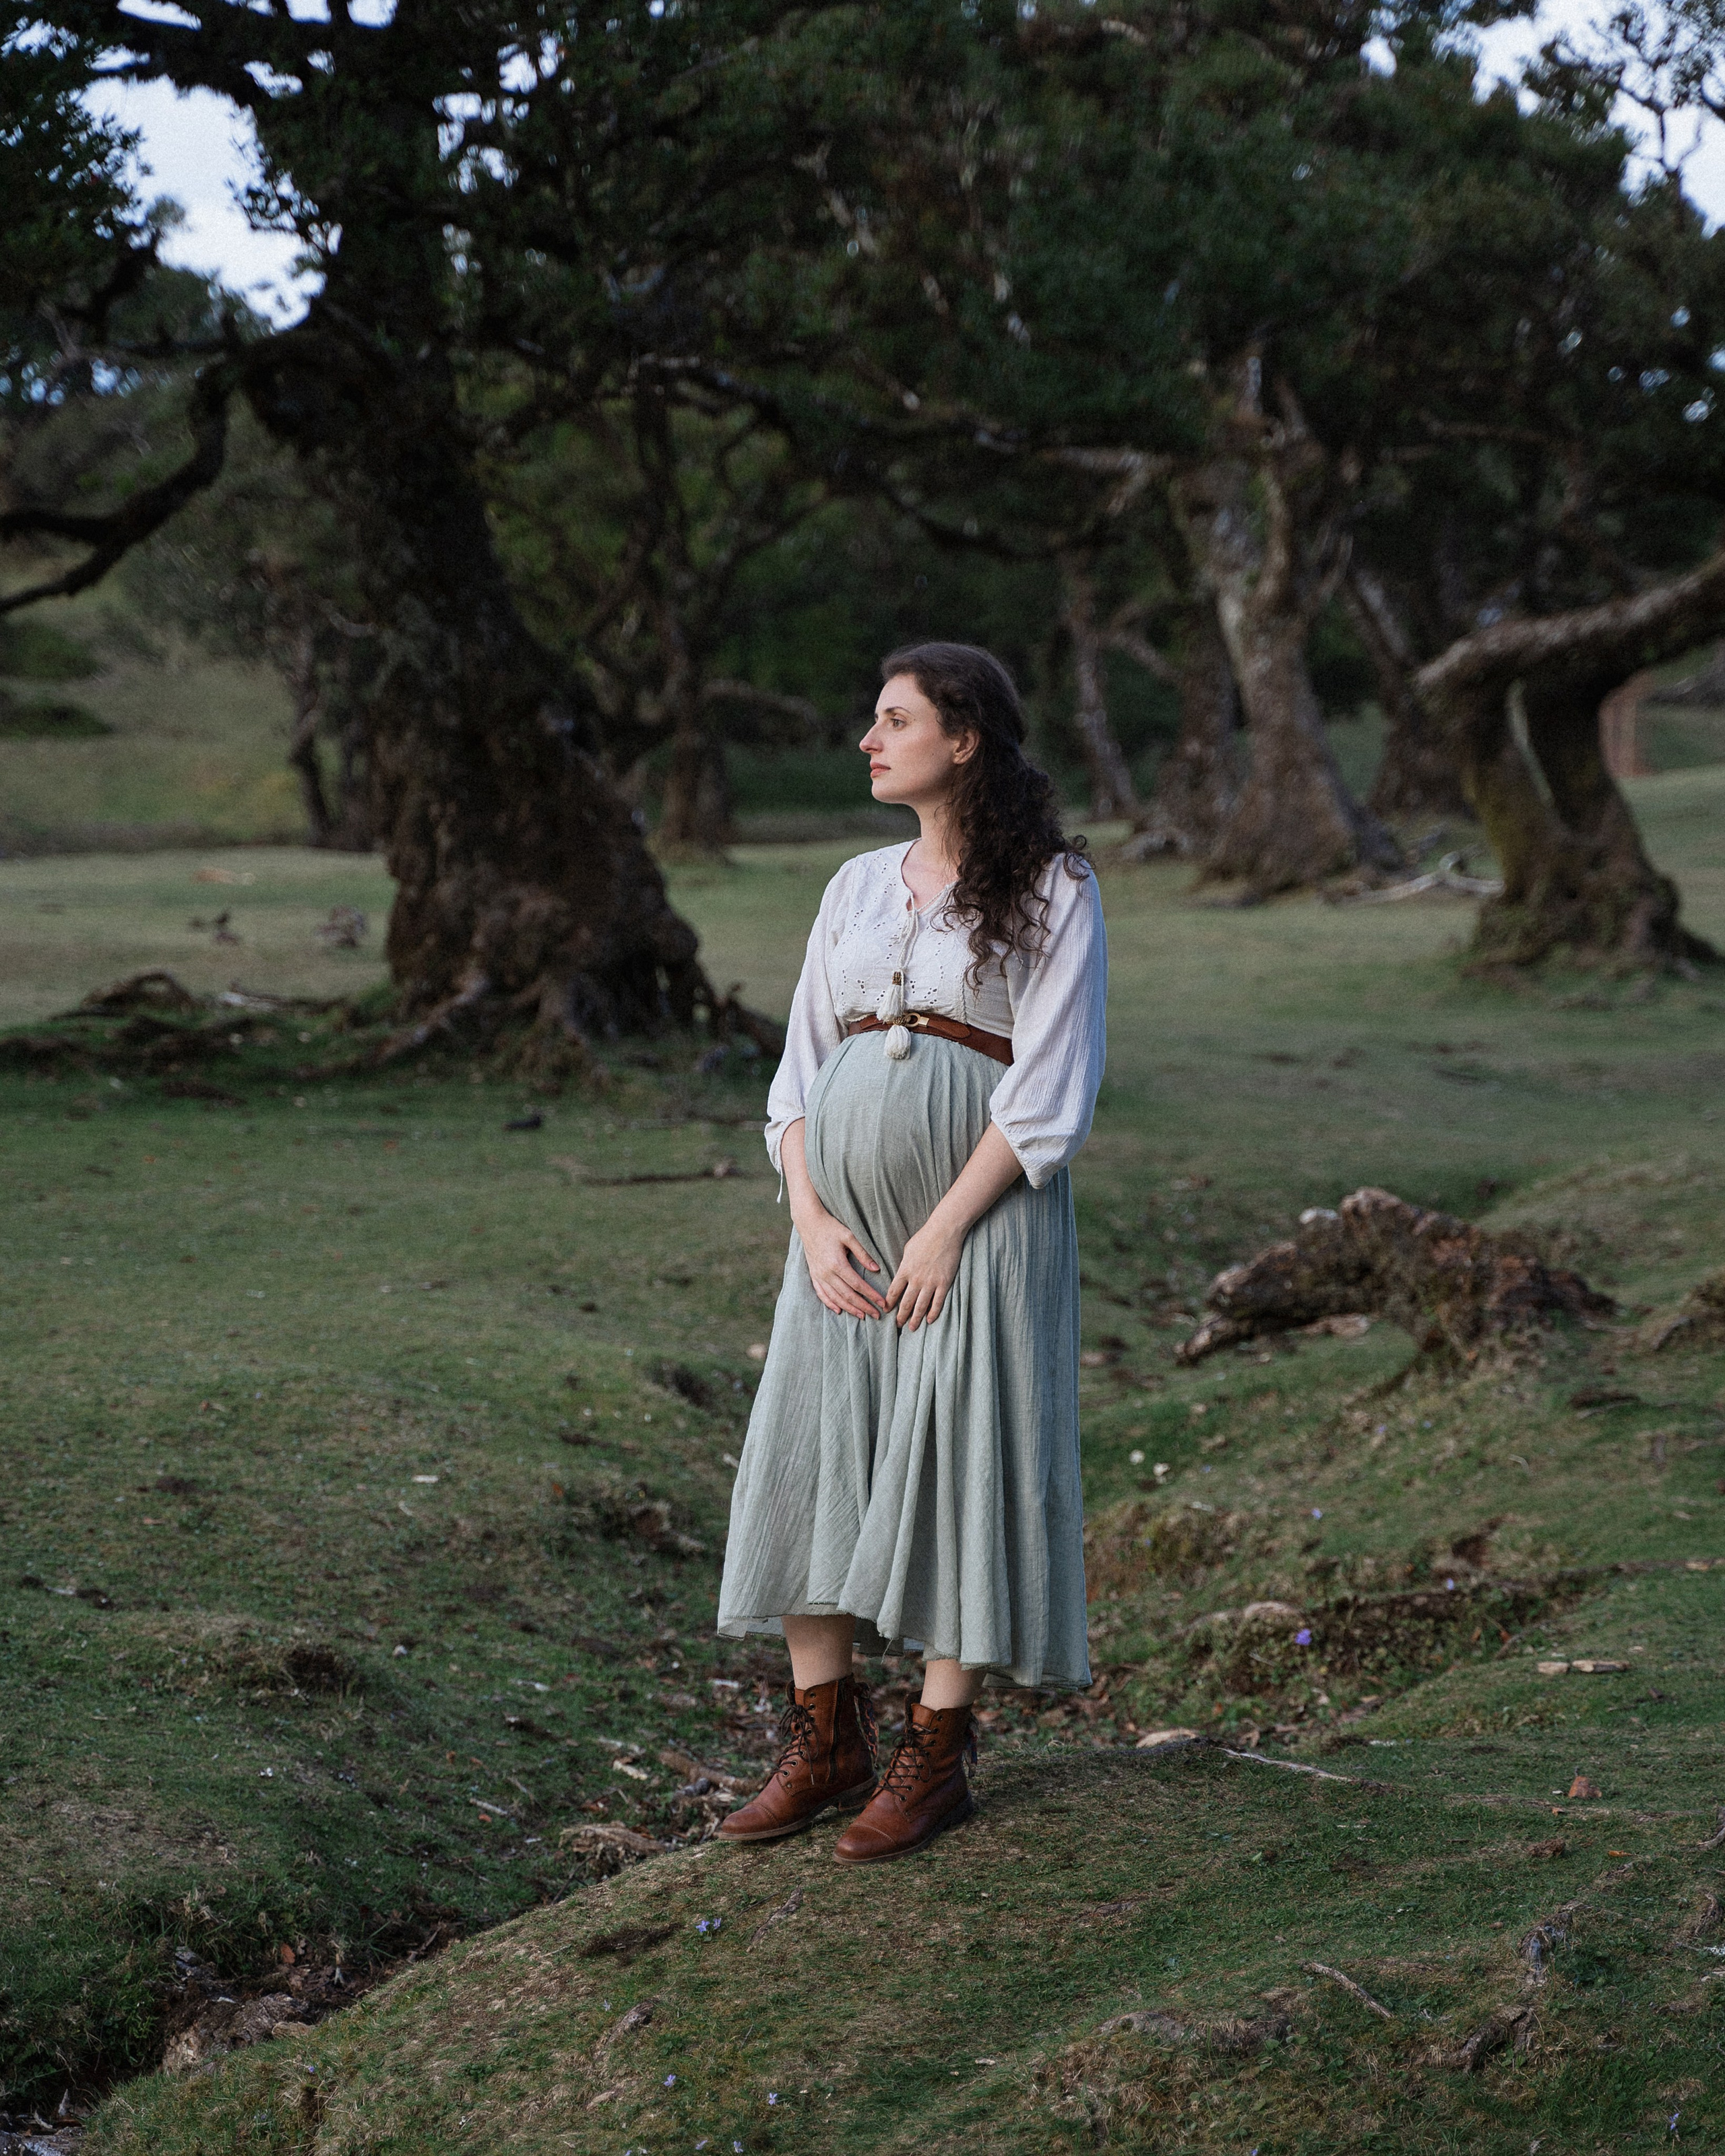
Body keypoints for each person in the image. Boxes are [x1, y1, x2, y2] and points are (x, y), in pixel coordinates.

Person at [715, 642, 1107, 1864]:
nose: (869, 742)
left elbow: (1049, 1090)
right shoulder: (853, 885)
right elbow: (796, 1075)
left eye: (894, 721)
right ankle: (824, 1736)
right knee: (811, 1440)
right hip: (841, 1223)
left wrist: (945, 1229)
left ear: (965, 739)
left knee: (960, 1453)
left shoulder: (1053, 888)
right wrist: (812, 1216)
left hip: (976, 1219)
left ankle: (936, 1754)